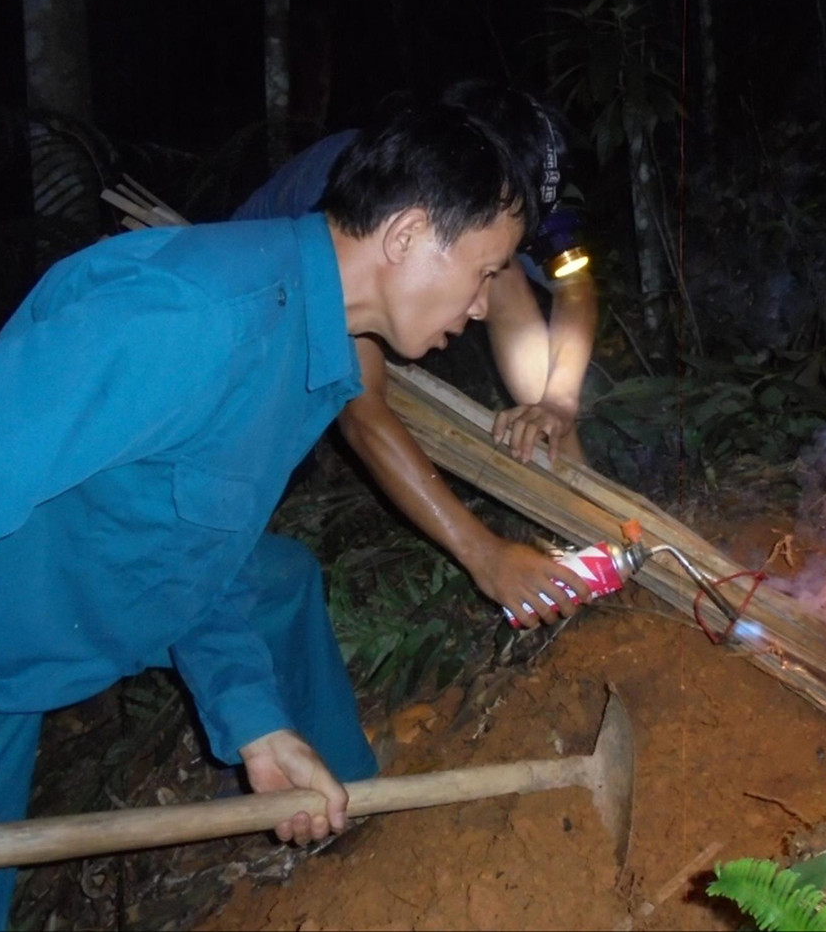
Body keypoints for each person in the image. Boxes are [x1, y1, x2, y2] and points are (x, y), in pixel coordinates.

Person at [0, 100, 592, 931]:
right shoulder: (191, 317)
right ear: (408, 236)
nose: (485, 302)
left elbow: (189, 558)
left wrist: (255, 723)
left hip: (3, 684)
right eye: (488, 270)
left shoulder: (304, 357)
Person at [234, 83, 599, 627]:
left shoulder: (495, 195)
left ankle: (584, 512)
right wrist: (485, 554)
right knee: (242, 511)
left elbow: (574, 284)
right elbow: (364, 414)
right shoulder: (368, 196)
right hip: (259, 349)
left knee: (505, 286)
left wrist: (558, 402)